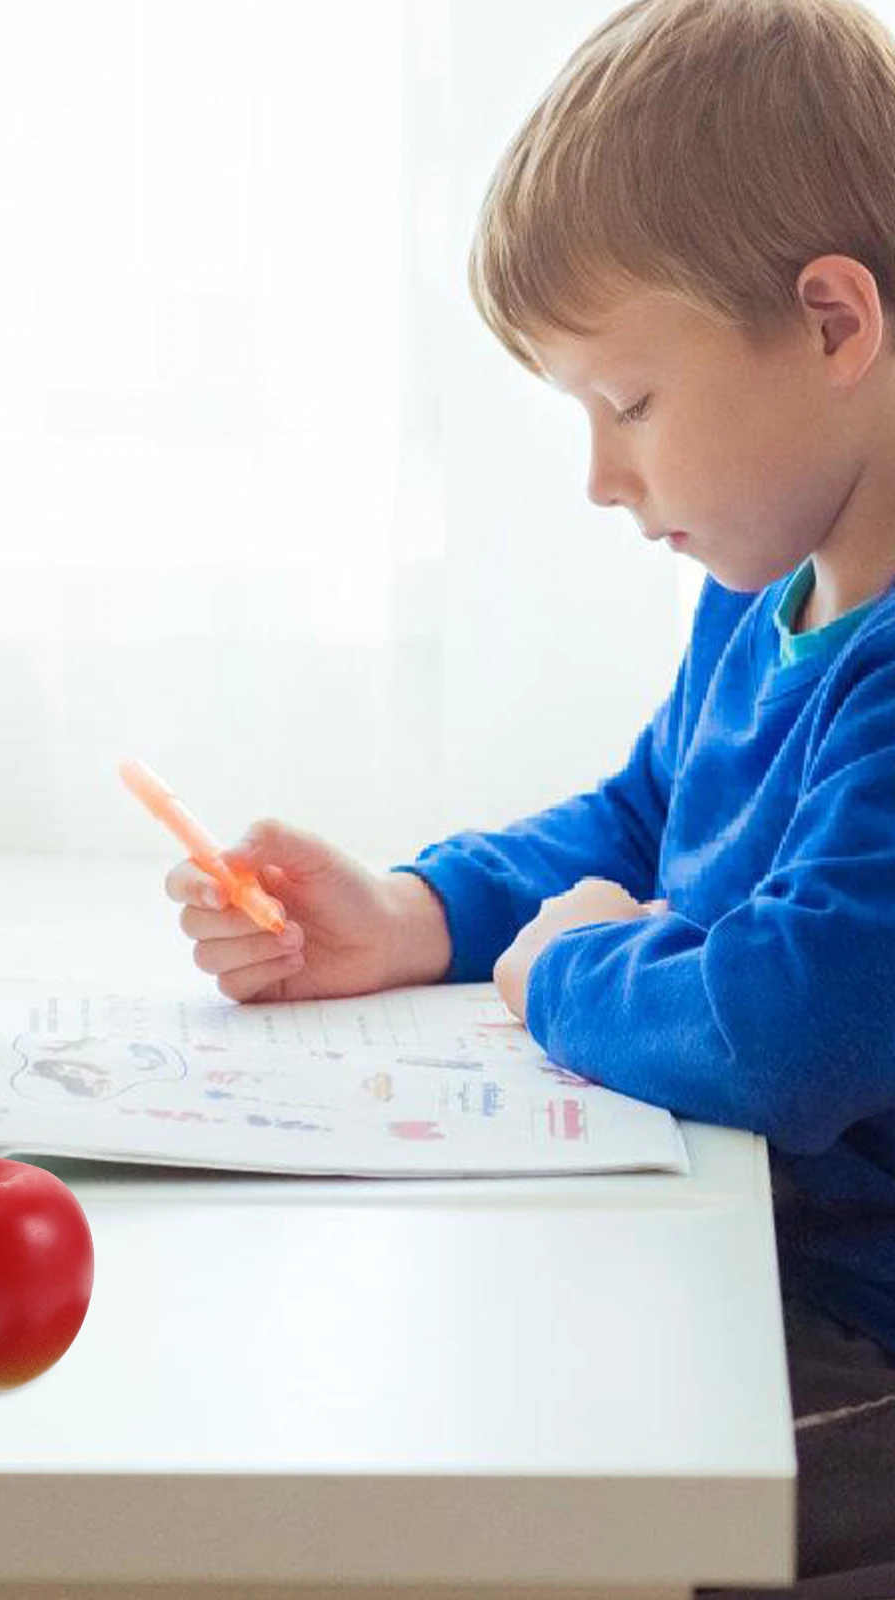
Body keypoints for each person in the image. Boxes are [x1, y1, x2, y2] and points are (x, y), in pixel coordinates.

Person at [162, 1, 895, 1591]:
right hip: (744, 1251)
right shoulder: (772, 594)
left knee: (469, 1491)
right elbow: (646, 823)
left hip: (863, 1336)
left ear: (838, 324)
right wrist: (424, 913)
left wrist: (562, 969)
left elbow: (788, 1024)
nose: (601, 480)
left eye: (627, 406)